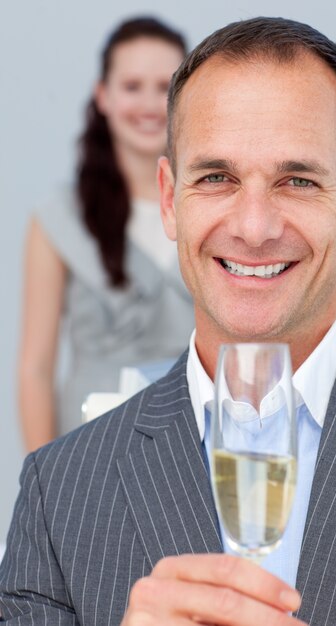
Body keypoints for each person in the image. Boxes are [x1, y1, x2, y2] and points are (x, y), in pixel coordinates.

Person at [1, 16, 336, 626]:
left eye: (297, 181)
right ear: (170, 200)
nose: (254, 227)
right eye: (217, 178)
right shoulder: (60, 491)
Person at [18, 16, 195, 452]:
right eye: (132, 86)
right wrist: (44, 485)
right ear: (104, 97)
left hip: (197, 447)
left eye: (166, 86)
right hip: (90, 451)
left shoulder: (217, 206)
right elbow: (35, 369)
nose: (151, 103)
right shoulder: (59, 218)